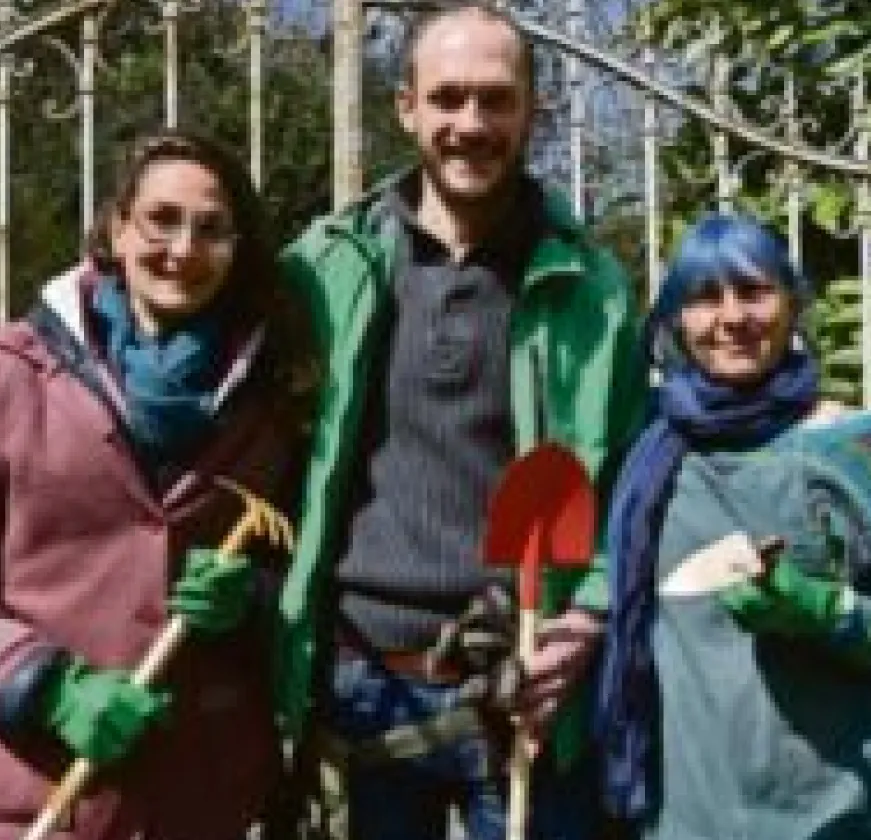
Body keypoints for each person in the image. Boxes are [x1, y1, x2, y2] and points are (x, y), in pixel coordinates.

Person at [0, 130, 312, 840]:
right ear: (116, 227)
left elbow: (304, 574)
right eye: (161, 219)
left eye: (212, 229)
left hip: (197, 805)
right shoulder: (1, 377)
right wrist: (44, 686)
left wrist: (253, 601)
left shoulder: (272, 400)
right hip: (27, 792)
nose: (183, 249)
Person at [274, 4, 647, 839]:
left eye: (495, 99)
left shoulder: (593, 288)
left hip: (522, 682)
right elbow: (195, 331)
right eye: (447, 98)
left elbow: (631, 480)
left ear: (531, 112)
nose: (469, 124)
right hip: (363, 679)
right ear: (406, 107)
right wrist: (45, 340)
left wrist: (582, 619)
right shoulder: (325, 266)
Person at [596, 213, 871, 839]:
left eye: (753, 292)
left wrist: (822, 609)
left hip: (840, 812)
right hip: (687, 814)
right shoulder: (652, 454)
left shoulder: (856, 446)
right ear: (676, 318)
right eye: (705, 297)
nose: (732, 317)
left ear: (793, 303)